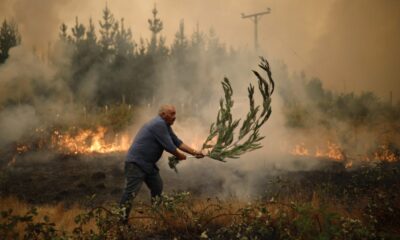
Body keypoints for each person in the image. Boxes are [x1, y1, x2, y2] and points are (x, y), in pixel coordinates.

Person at [119, 104, 204, 223]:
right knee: (130, 193)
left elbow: (177, 142)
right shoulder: (158, 124)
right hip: (136, 163)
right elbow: (169, 147)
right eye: (172, 114)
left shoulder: (165, 125)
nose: (175, 117)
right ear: (163, 115)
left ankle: (156, 217)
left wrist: (195, 153)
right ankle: (121, 221)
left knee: (157, 186)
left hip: (148, 164)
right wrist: (180, 156)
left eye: (175, 113)